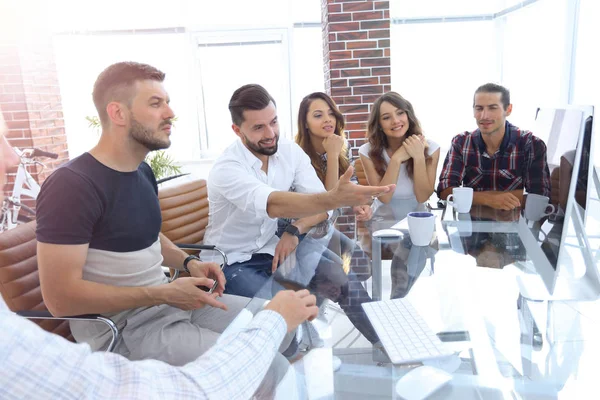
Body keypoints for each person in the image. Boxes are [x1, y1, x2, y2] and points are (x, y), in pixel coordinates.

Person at [0, 106, 319, 399]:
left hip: (167, 301)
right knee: (268, 368)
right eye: (155, 105)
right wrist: (161, 294)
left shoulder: (137, 173)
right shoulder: (75, 188)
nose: (170, 114)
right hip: (125, 326)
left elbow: (150, 234)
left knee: (287, 334)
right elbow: (62, 301)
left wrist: (188, 261)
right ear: (119, 114)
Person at [203, 84, 394, 299]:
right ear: (237, 131)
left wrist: (295, 229)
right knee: (285, 307)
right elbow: (273, 204)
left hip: (273, 248)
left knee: (344, 281)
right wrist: (333, 199)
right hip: (230, 261)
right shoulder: (227, 168)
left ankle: (386, 332)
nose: (270, 133)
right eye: (258, 127)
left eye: (273, 122)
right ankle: (305, 326)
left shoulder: (288, 151)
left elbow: (323, 207)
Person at [437, 83, 551, 210]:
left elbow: (540, 196)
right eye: (479, 108)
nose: (484, 116)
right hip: (469, 225)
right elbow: (445, 191)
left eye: (492, 108)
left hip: (515, 225)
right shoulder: (461, 142)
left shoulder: (531, 145)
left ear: (508, 110)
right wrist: (489, 199)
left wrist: (470, 196)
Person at [359, 92, 441, 206]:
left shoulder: (432, 148)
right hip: (383, 216)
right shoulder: (366, 151)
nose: (396, 121)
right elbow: (384, 198)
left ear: (408, 115)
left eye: (400, 113)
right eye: (386, 117)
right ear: (379, 125)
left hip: (418, 216)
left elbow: (422, 197)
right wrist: (396, 159)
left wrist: (418, 157)